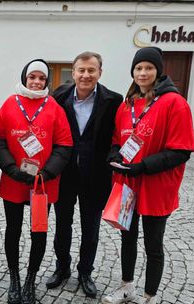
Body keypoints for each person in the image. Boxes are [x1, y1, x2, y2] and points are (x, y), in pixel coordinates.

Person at [102, 47, 194, 304]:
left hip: (156, 186)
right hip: (128, 184)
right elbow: (116, 139)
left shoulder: (175, 103)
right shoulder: (127, 105)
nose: (143, 73)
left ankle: (149, 296)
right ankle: (126, 287)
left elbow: (181, 151)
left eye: (149, 68)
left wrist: (143, 166)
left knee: (153, 245)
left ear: (158, 71)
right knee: (127, 239)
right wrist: (114, 155)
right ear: (133, 72)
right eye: (138, 68)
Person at [0, 59, 72, 304]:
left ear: (46, 82)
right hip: (14, 180)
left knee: (38, 232)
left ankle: (30, 279)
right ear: (25, 78)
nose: (37, 82)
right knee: (13, 231)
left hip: (42, 183)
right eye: (32, 77)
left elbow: (64, 145)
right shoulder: (9, 104)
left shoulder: (54, 106)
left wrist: (47, 173)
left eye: (41, 78)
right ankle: (15, 279)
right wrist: (9, 167)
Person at [46, 51, 123, 298]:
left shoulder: (113, 100)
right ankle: (62, 268)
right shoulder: (58, 97)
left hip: (96, 176)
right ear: (74, 72)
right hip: (65, 174)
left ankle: (85, 272)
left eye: (91, 70)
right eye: (81, 70)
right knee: (62, 226)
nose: (86, 75)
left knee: (91, 228)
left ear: (100, 72)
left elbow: (117, 137)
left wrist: (115, 157)